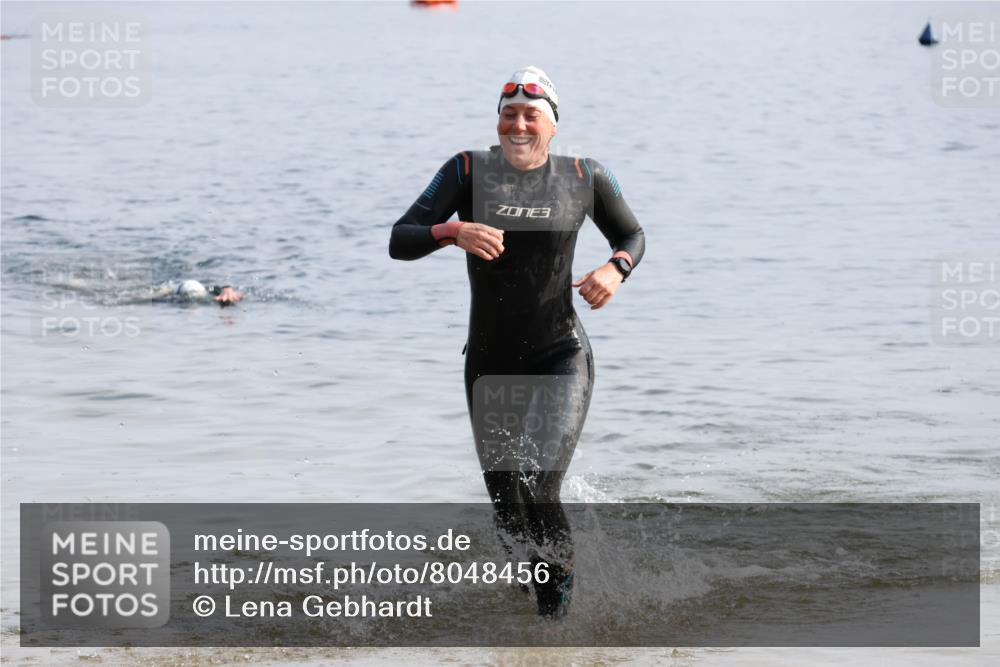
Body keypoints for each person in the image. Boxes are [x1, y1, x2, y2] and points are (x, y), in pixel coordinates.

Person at [389, 66, 645, 617]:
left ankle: (555, 627)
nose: (519, 124)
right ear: (498, 121)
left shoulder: (584, 175)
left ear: (552, 126)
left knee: (539, 485)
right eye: (510, 114)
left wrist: (616, 268)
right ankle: (533, 604)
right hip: (490, 361)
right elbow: (400, 239)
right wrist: (451, 231)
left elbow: (632, 234)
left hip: (560, 355)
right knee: (508, 505)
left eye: (532, 115)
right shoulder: (465, 171)